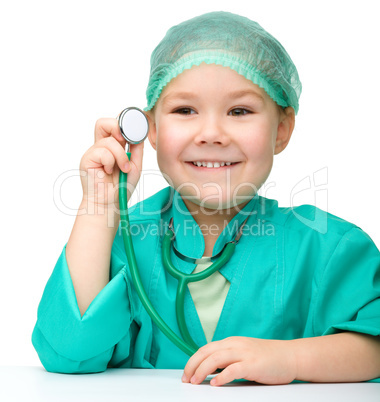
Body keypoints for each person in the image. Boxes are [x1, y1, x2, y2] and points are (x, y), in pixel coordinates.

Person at [32, 11, 380, 386]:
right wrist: (99, 207)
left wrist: (291, 359)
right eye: (185, 110)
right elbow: (68, 353)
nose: (211, 133)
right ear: (150, 128)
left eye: (239, 111)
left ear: (281, 129)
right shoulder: (122, 243)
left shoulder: (330, 247)